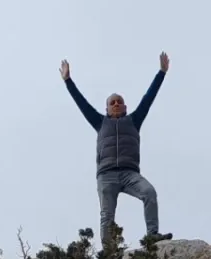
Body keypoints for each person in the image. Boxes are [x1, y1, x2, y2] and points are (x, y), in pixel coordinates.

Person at [61, 53, 173, 247]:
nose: (116, 104)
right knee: (107, 215)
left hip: (130, 174)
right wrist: (68, 80)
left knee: (149, 193)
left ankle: (152, 235)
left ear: (125, 107)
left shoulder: (134, 120)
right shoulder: (100, 122)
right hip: (107, 175)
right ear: (107, 108)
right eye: (112, 103)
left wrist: (161, 72)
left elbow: (149, 97)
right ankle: (108, 253)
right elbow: (81, 102)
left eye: (119, 102)